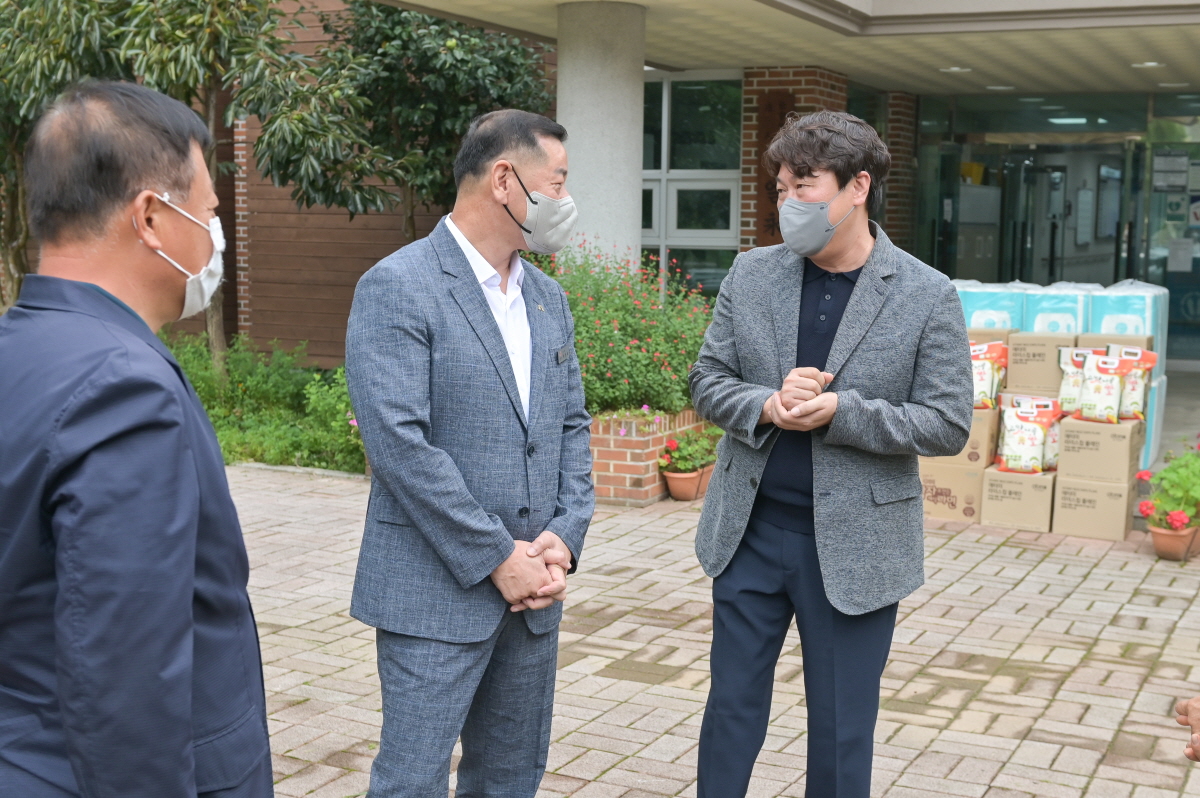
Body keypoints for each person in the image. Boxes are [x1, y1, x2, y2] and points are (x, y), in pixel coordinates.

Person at [688, 110, 973, 798]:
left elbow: (947, 424)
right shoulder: (753, 273)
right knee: (730, 712)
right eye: (781, 188)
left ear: (858, 187)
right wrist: (766, 404)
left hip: (857, 546)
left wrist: (843, 413)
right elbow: (706, 379)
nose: (789, 202)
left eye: (805, 186)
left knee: (842, 730)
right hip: (750, 532)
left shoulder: (926, 293)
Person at [0, 82, 271, 797]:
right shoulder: (125, 388)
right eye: (209, 213)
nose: (214, 237)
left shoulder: (17, 350)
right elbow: (126, 679)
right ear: (151, 217)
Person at [345, 108, 594, 797]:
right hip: (433, 592)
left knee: (510, 779)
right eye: (558, 182)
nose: (566, 200)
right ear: (504, 180)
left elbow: (572, 423)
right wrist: (495, 555)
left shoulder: (548, 299)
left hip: (534, 593)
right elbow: (399, 444)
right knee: (412, 781)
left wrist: (564, 535)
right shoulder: (398, 285)